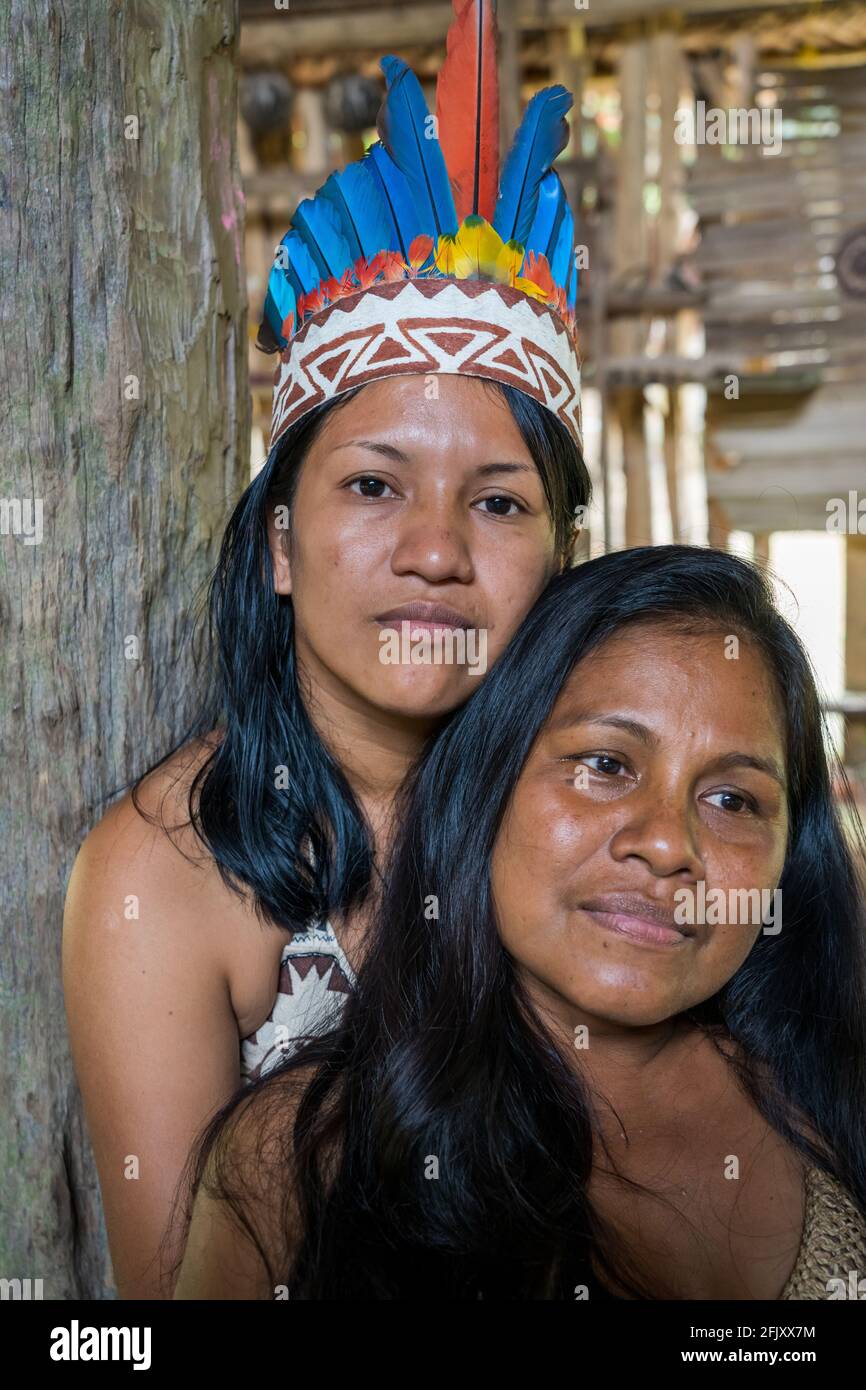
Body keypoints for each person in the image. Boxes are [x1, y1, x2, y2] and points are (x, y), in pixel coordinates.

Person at [61, 0, 589, 1298]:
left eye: (499, 500)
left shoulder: (609, 813)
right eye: (371, 486)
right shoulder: (168, 867)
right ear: (282, 547)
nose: (433, 549)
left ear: (560, 561)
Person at [171, 545, 866, 1300]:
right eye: (605, 764)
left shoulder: (830, 1092)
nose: (668, 845)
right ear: (487, 788)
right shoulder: (302, 1159)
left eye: (733, 801)